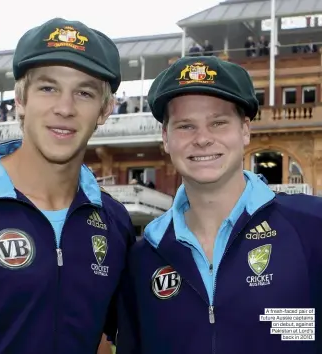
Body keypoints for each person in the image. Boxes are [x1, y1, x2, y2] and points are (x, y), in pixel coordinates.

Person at [116, 56, 322, 354]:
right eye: (186, 126)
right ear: (165, 138)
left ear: (245, 130)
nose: (202, 139)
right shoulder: (144, 256)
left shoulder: (311, 227)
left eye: (219, 123)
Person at [0, 18, 135, 354]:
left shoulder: (114, 222)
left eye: (84, 92)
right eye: (48, 88)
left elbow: (102, 339)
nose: (64, 108)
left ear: (105, 110)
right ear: (20, 100)